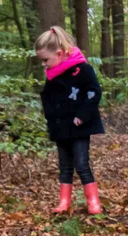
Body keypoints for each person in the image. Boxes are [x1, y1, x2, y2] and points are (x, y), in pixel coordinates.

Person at [36, 26, 104, 215]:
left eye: (45, 60)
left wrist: (82, 115)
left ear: (59, 53)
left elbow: (94, 93)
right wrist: (50, 118)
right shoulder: (52, 75)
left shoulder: (82, 70)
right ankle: (64, 202)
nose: (43, 64)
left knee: (82, 164)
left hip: (79, 127)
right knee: (64, 166)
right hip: (60, 128)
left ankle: (93, 203)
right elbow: (47, 98)